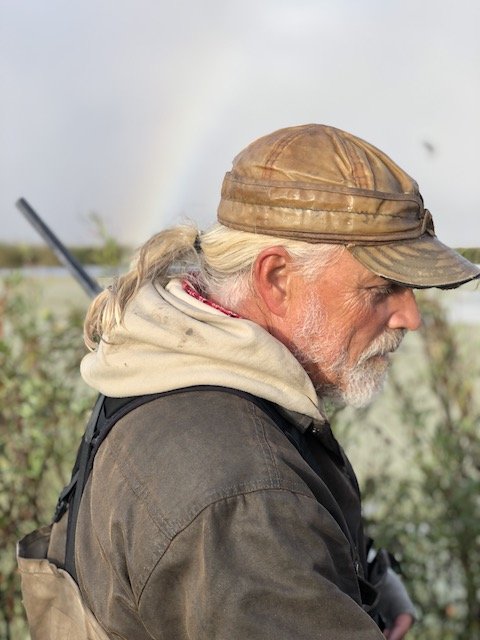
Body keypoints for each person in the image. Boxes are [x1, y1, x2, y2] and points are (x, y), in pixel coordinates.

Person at [46, 124, 480, 639]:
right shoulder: (244, 492)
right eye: (383, 289)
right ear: (276, 279)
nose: (411, 317)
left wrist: (353, 581)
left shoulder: (156, 368)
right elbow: (246, 521)